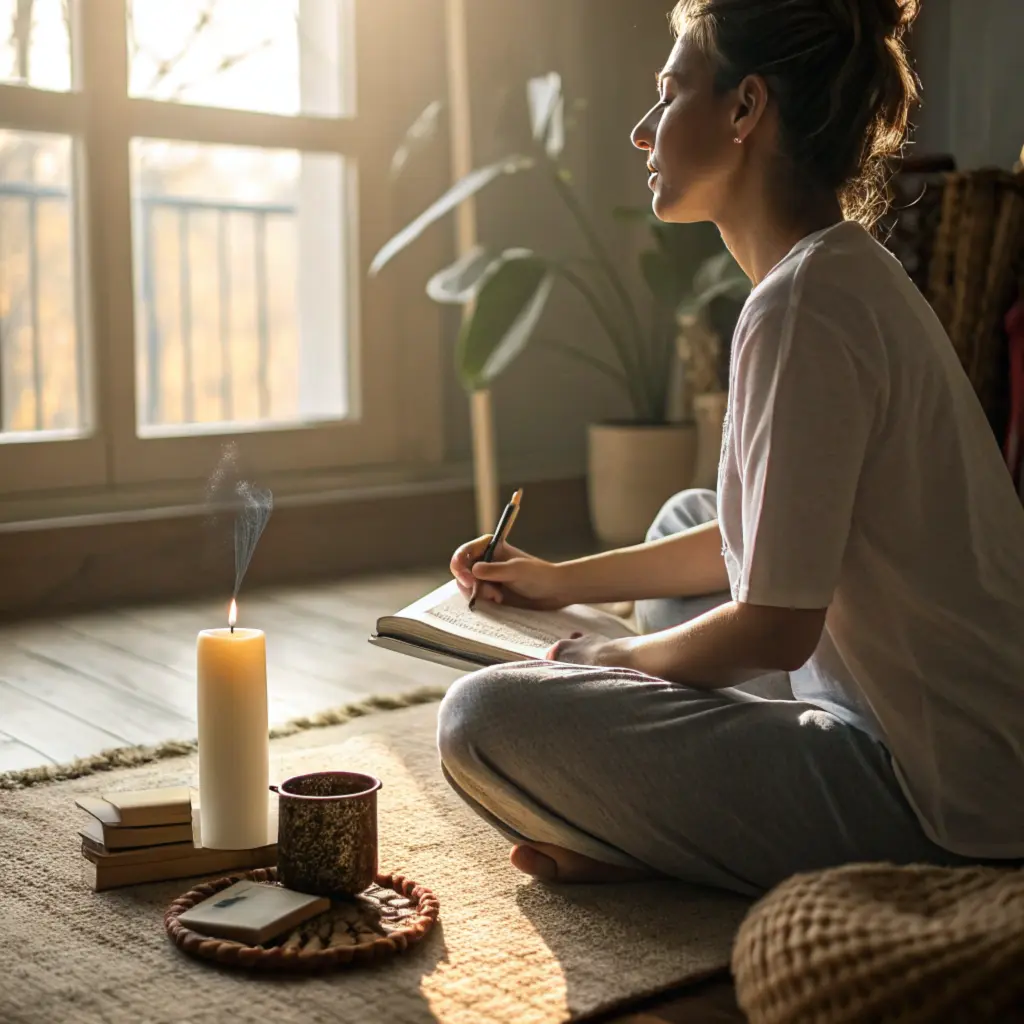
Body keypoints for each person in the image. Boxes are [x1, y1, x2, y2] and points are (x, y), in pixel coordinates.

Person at [436, 0, 1024, 896]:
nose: (642, 130)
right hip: (965, 750)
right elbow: (758, 544)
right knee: (693, 515)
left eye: (669, 93)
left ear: (746, 109)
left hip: (938, 800)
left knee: (477, 718)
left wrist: (616, 662)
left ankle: (646, 837)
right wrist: (557, 582)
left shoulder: (802, 306)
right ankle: (654, 823)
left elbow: (777, 627)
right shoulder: (836, 272)